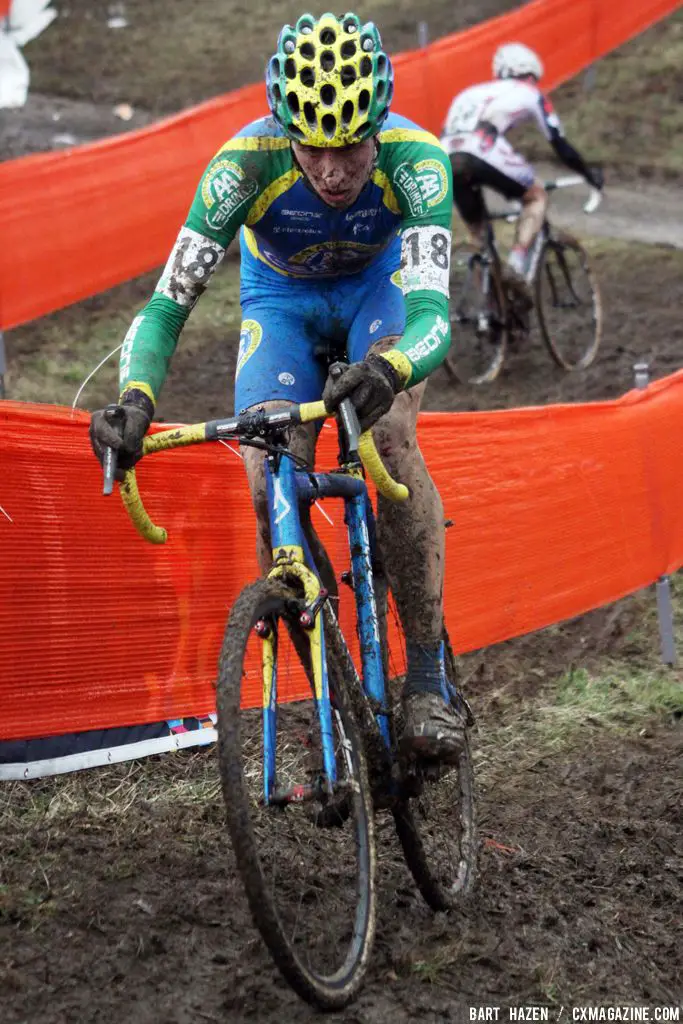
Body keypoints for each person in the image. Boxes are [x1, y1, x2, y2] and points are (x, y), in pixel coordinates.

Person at [89, 12, 465, 762]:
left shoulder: (417, 160)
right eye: (313, 148)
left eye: (351, 146)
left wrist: (390, 368)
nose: (331, 170)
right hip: (279, 303)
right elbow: (168, 304)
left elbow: (433, 316)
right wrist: (135, 399)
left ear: (378, 125)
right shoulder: (242, 166)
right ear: (283, 125)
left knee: (389, 436)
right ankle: (316, 633)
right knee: (267, 474)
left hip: (378, 296)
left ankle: (426, 678)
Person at [441, 41, 603, 303]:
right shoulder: (529, 92)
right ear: (530, 74)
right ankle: (516, 268)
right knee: (536, 196)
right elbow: (559, 143)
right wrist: (588, 173)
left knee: (480, 237)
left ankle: (492, 309)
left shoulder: (470, 93)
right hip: (482, 149)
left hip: (446, 155)